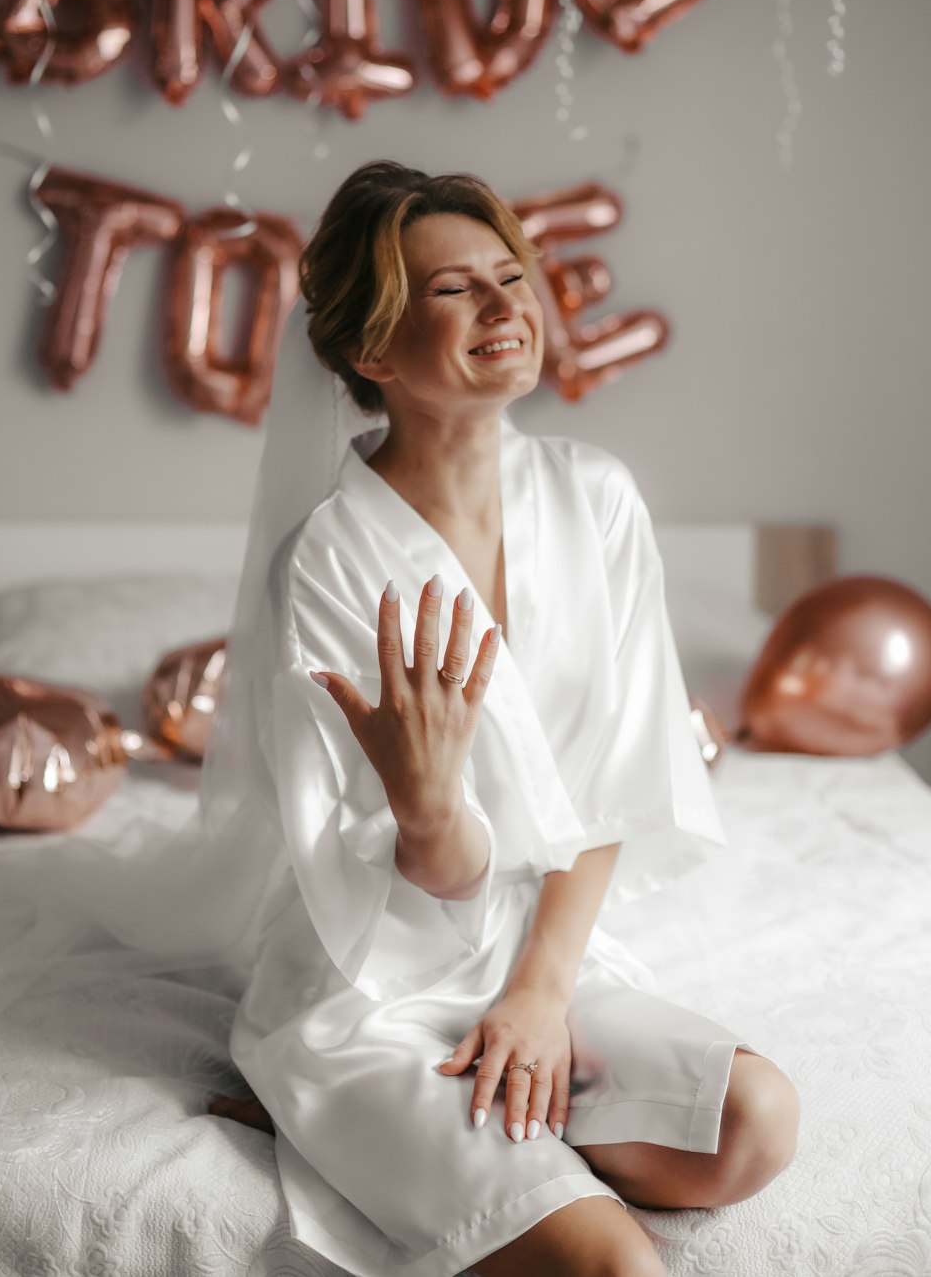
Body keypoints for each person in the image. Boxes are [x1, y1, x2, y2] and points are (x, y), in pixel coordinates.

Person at [209, 161, 800, 1277]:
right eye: (453, 291)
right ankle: (343, 1104)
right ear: (373, 351)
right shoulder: (331, 564)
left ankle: (497, 1120)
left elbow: (623, 771)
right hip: (378, 982)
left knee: (754, 1122)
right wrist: (430, 805)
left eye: (508, 277)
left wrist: (538, 994)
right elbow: (388, 876)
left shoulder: (596, 496)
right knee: (610, 1265)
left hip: (547, 954)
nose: (504, 307)